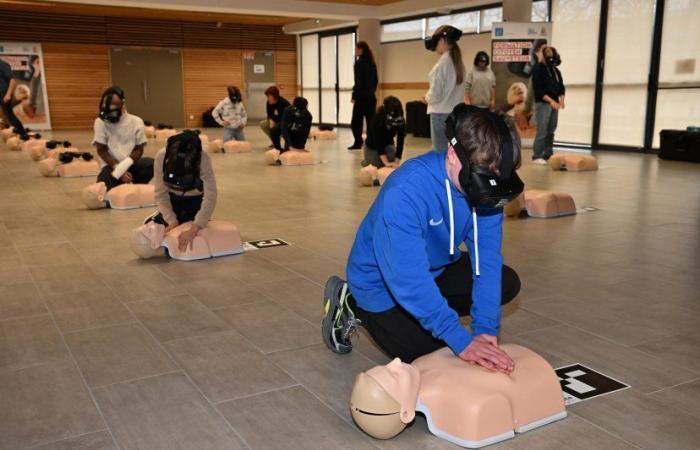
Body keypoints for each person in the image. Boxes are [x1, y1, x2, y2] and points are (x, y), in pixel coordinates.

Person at [322, 104, 524, 374]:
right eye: (483, 179)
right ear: (453, 155)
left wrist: (485, 329)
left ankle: (426, 311)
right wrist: (459, 339)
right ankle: (352, 302)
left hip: (434, 269)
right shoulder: (406, 191)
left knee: (505, 281)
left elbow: (486, 262)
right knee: (435, 359)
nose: (489, 189)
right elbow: (408, 277)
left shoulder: (490, 186)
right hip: (381, 282)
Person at [149, 130, 217, 252]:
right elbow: (160, 194)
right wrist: (171, 221)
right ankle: (158, 216)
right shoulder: (161, 156)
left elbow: (210, 195)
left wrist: (196, 226)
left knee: (194, 239)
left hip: (195, 199)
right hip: (172, 199)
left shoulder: (203, 158)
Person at [93, 86, 153, 190]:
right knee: (103, 188)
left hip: (131, 163)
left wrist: (123, 167)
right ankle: (118, 185)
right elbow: (101, 150)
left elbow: (139, 149)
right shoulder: (100, 122)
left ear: (123, 106)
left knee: (151, 164)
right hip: (111, 166)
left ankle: (136, 186)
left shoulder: (136, 121)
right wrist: (118, 170)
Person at [423, 25, 466, 152]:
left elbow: (436, 95)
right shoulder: (458, 63)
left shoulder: (442, 64)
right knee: (453, 153)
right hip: (455, 115)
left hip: (440, 115)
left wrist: (426, 98)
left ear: (442, 41)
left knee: (440, 154)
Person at [531, 46, 565, 164]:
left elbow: (561, 86)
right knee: (542, 130)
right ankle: (537, 155)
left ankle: (548, 153)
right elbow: (539, 90)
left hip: (555, 103)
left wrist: (562, 100)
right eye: (549, 58)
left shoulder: (555, 71)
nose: (551, 60)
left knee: (551, 129)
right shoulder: (538, 69)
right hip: (543, 103)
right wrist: (551, 101)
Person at [348, 41, 379, 150]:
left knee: (356, 121)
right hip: (371, 97)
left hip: (361, 97)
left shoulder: (359, 63)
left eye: (356, 49)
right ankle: (371, 142)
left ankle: (358, 142)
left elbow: (358, 82)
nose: (355, 51)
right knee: (370, 121)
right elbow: (376, 81)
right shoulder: (372, 62)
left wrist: (354, 96)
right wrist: (371, 91)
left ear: (361, 50)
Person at [362, 96, 405, 169]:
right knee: (376, 166)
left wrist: (396, 162)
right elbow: (378, 144)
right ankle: (366, 161)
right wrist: (386, 163)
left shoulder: (399, 119)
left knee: (391, 159)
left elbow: (400, 141)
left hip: (388, 145)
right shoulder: (376, 119)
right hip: (372, 147)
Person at [0, 56, 29, 138]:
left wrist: (8, 94)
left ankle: (23, 134)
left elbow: (13, 80)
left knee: (9, 115)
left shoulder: (3, 65)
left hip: (3, 94)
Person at [259, 86, 290, 151]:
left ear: (275, 96)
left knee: (277, 130)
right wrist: (270, 121)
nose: (268, 98)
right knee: (263, 124)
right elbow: (269, 114)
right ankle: (275, 142)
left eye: (269, 96)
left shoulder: (284, 104)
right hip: (275, 121)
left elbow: (286, 119)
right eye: (267, 96)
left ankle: (287, 145)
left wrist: (277, 126)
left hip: (285, 123)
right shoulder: (269, 102)